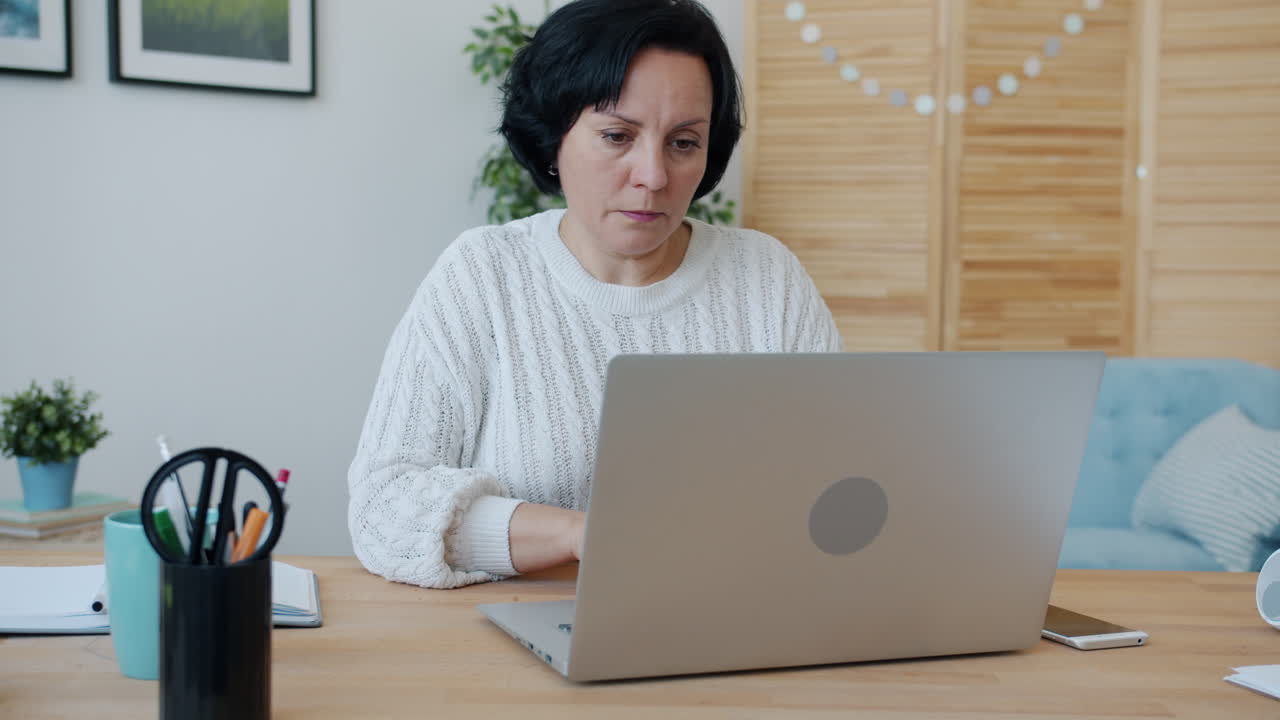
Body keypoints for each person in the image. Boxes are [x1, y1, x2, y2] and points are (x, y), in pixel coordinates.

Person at [348, 0, 841, 589]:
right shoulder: (481, 275)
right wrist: (582, 536)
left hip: (731, 616)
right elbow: (384, 505)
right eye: (616, 136)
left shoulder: (768, 279)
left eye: (684, 142)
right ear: (554, 136)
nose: (654, 175)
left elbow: (836, 483)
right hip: (515, 633)